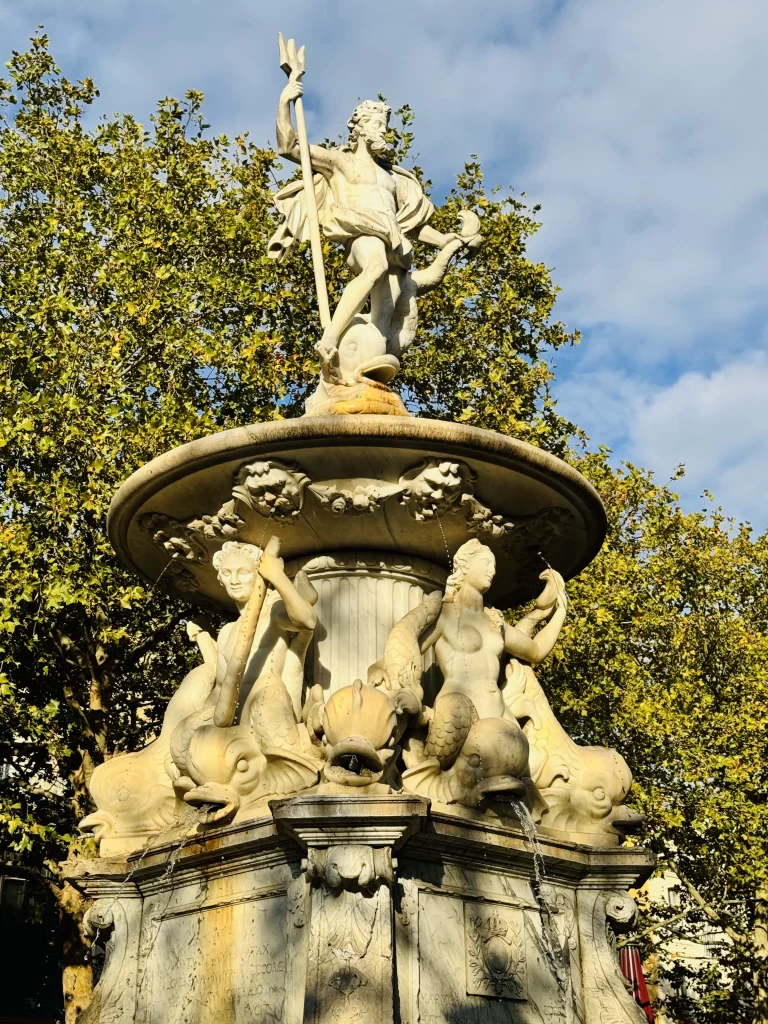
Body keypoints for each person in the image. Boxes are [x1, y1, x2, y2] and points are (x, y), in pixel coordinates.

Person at [271, 76, 467, 367]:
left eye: (385, 127)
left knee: (385, 315)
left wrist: (444, 240)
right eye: (378, 125)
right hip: (361, 233)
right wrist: (284, 101)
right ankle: (329, 339)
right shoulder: (339, 163)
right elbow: (289, 147)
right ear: (360, 128)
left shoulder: (392, 177)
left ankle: (361, 367)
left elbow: (411, 224)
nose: (383, 132)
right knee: (375, 265)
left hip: (395, 245)